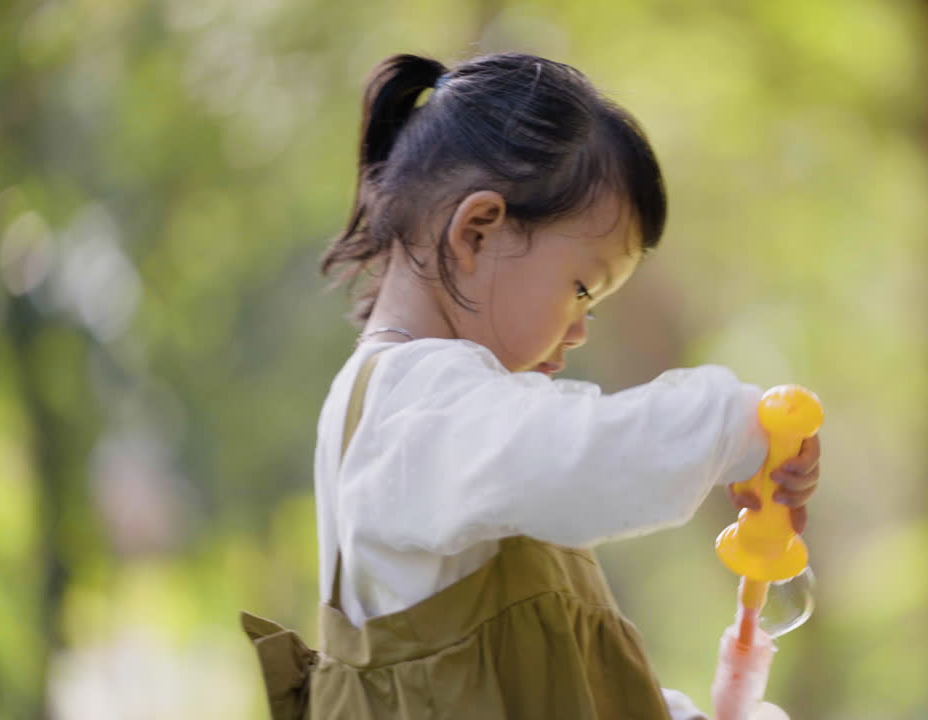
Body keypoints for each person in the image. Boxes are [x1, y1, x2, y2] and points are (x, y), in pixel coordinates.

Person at [241, 51, 821, 720]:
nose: (579, 331)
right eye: (581, 289)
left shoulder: (438, 420)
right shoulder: (414, 404)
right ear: (476, 232)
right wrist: (739, 426)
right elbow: (586, 457)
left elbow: (547, 682)